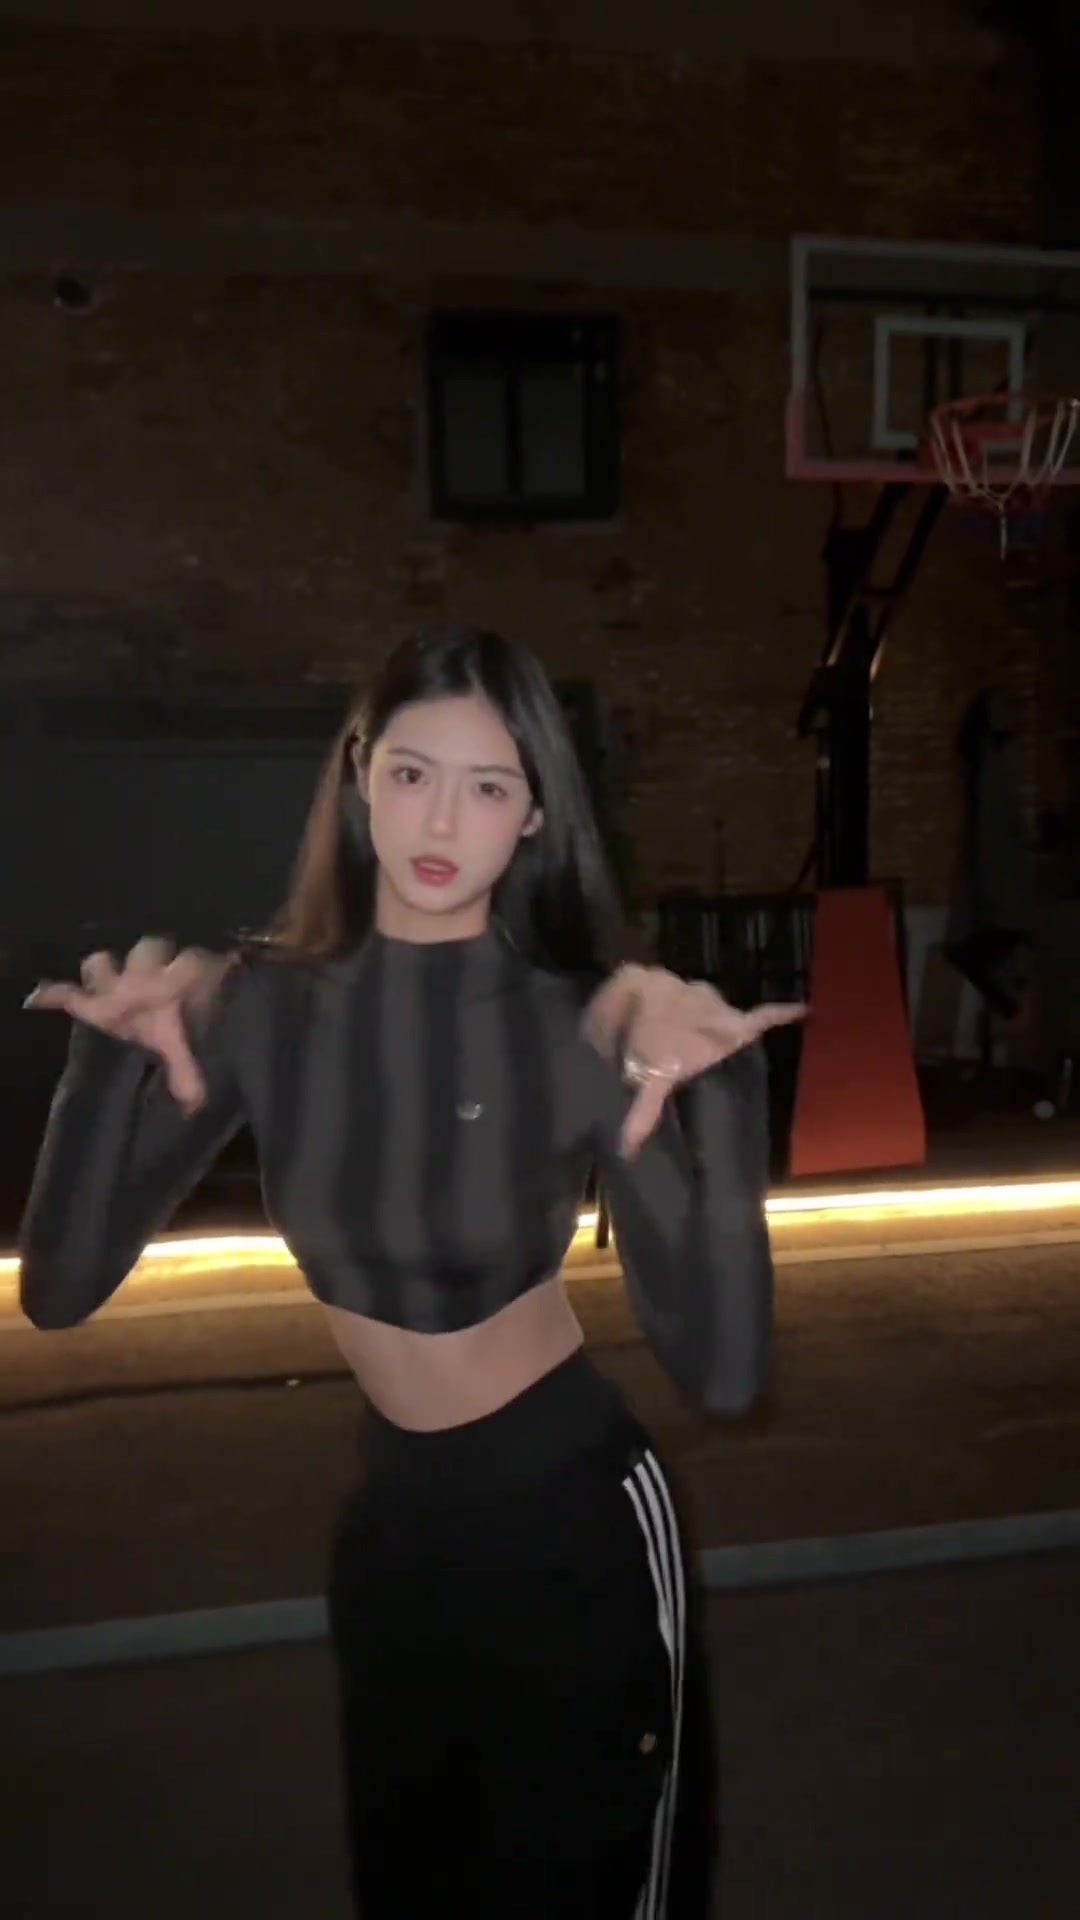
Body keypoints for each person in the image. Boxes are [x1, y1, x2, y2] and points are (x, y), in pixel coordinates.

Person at [19, 626, 803, 1919]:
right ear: (358, 774)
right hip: (395, 1541)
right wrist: (108, 1065)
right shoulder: (263, 1005)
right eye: (411, 773)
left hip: (575, 1530)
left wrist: (719, 1094)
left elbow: (723, 1371)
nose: (442, 820)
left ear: (534, 813)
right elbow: (59, 1287)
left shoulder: (579, 1018)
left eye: (488, 786)